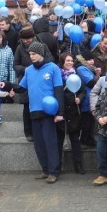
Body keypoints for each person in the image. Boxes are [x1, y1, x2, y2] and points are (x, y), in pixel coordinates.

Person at [14, 41, 65, 183]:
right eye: (30, 54)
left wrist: (60, 112)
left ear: (41, 54)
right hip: (34, 111)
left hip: (49, 112)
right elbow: (21, 88)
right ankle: (45, 169)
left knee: (50, 142)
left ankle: (54, 172)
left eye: (34, 54)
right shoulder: (29, 70)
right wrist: (7, 85)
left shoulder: (53, 68)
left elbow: (58, 90)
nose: (31, 56)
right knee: (39, 144)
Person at [57, 53, 86, 174]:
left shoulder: (76, 75)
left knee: (75, 140)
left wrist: (79, 98)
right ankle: (57, 166)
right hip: (61, 110)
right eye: (67, 60)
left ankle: (78, 165)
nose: (70, 63)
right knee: (59, 141)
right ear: (62, 62)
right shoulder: (57, 74)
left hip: (74, 111)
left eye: (71, 60)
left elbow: (83, 90)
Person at [13, 26, 37, 142]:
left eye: (29, 38)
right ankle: (29, 132)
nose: (27, 41)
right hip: (25, 80)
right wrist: (24, 69)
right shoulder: (19, 48)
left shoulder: (40, 46)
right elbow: (15, 64)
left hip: (38, 79)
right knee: (27, 108)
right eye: (24, 39)